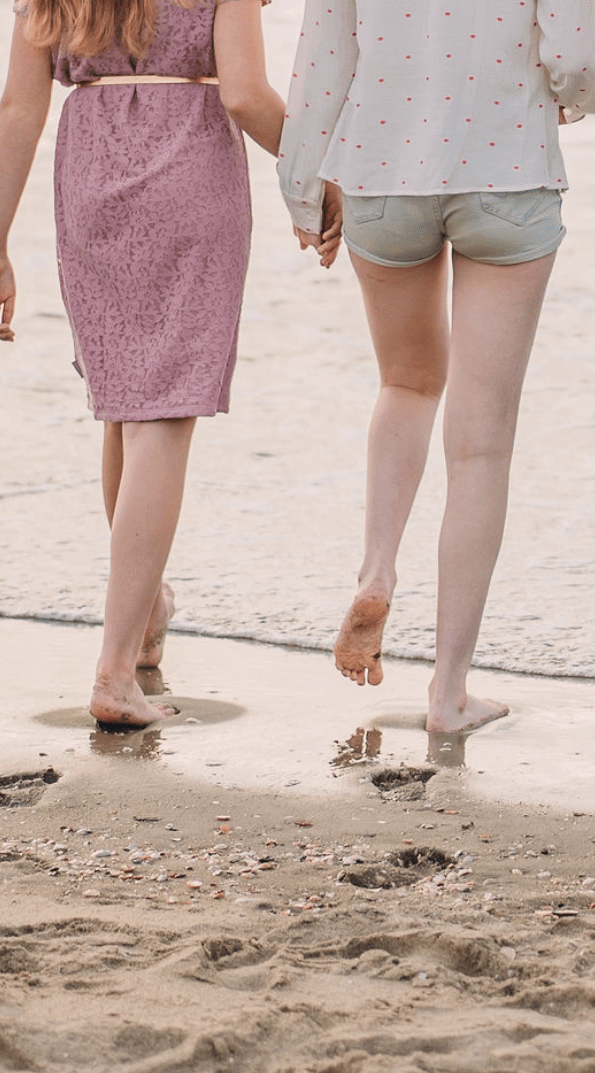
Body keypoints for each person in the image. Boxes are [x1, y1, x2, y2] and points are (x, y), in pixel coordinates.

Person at [279, 0, 595, 733]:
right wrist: (586, 95)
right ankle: (448, 694)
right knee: (481, 441)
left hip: (381, 173)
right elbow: (574, 58)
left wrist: (304, 190)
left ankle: (376, 569)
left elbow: (321, 63)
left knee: (405, 382)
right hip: (507, 171)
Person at [0, 0, 291, 726]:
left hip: (90, 173)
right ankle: (114, 670)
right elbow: (248, 94)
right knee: (160, 412)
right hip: (190, 170)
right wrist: (326, 170)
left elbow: (17, 111)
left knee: (125, 402)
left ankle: (148, 610)